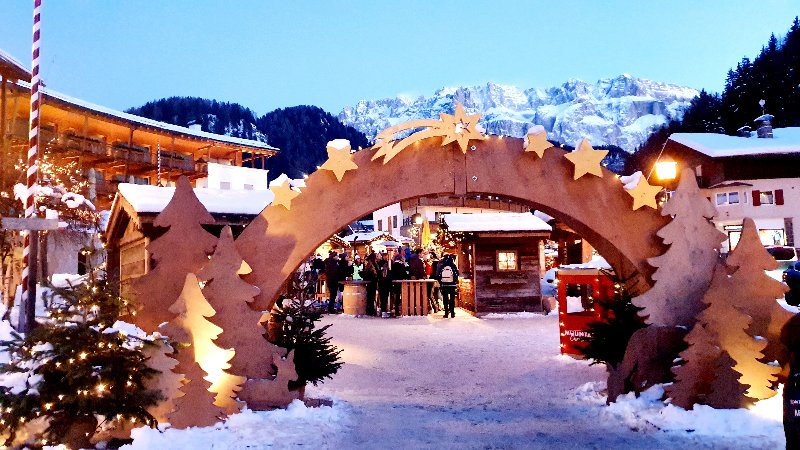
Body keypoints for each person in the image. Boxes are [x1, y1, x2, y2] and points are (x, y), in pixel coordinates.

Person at [436, 254, 460, 318]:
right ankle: (452, 313)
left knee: (445, 298)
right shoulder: (453, 265)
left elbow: (438, 274)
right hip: (452, 284)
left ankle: (446, 313)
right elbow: (457, 274)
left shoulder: (441, 265)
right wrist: (455, 281)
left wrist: (440, 282)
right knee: (452, 298)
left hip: (444, 284)